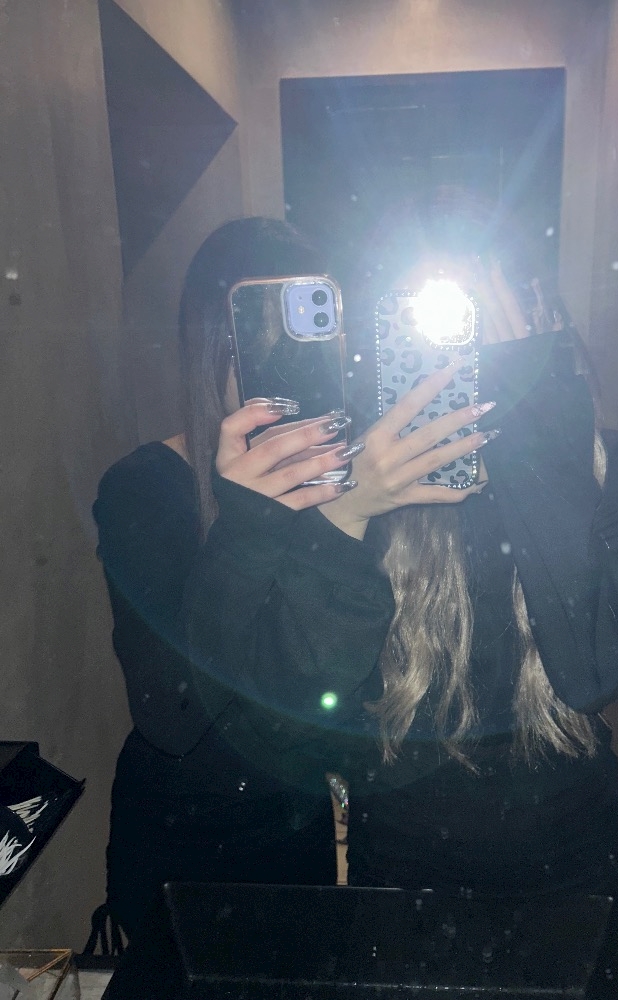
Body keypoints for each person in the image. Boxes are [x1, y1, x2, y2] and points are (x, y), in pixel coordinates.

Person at [181, 197, 618, 999]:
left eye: (491, 317)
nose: (467, 350)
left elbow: (596, 665)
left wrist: (536, 425)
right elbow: (287, 722)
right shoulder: (366, 483)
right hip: (402, 876)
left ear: (544, 323)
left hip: (571, 870)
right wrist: (347, 511)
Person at [93, 217, 370, 939]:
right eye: (256, 328)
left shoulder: (337, 482)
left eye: (305, 332)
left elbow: (342, 688)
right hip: (180, 845)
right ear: (214, 340)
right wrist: (248, 522)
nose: (281, 356)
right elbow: (171, 711)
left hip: (294, 832)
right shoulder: (144, 487)